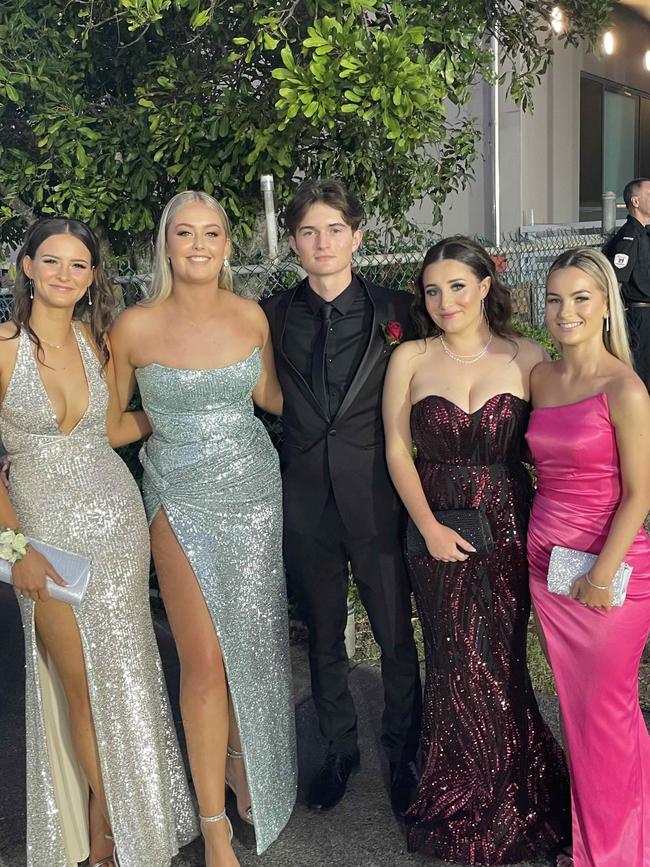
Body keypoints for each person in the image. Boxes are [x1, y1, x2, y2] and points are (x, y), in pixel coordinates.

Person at [0, 218, 197, 867]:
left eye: (78, 265)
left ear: (91, 277)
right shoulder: (1, 346)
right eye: (51, 261)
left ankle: (106, 826)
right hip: (44, 535)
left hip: (116, 525)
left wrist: (178, 410)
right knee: (78, 684)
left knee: (124, 674)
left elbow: (111, 429)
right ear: (26, 267)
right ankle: (109, 833)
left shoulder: (93, 340)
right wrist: (14, 548)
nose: (64, 274)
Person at [110, 190, 296, 867]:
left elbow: (272, 397)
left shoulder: (251, 316)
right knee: (205, 660)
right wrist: (171, 417)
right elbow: (108, 424)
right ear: (166, 243)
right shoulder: (133, 326)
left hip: (254, 490)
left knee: (253, 644)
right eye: (184, 233)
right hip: (178, 495)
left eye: (210, 233)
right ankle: (214, 824)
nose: (196, 244)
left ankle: (244, 764)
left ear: (226, 245)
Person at [383, 236, 571, 864]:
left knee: (501, 656)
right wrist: (429, 527)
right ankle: (458, 789)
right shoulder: (409, 356)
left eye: (458, 286)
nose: (445, 301)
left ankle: (514, 789)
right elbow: (394, 450)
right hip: (433, 522)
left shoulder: (526, 355)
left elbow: (562, 437)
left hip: (510, 521)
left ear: (485, 285)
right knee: (451, 656)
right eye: (433, 290)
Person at [262, 178, 422, 815]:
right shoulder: (271, 313)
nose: (322, 242)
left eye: (334, 230)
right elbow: (262, 388)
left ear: (358, 237)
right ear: (294, 243)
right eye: (308, 231)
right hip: (305, 502)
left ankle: (405, 750)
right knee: (324, 635)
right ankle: (338, 749)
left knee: (394, 636)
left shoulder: (399, 310)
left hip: (379, 498)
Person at [527, 247, 650, 867]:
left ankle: (614, 854)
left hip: (610, 573)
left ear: (605, 305)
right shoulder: (540, 378)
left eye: (580, 298)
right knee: (582, 715)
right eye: (554, 299)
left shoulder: (623, 388)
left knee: (607, 713)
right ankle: (604, 837)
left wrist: (602, 576)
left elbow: (639, 494)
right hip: (548, 571)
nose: (565, 311)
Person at [602, 177, 650, 391]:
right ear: (636, 201)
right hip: (639, 317)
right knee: (641, 376)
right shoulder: (629, 237)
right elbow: (616, 280)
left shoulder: (644, 234)